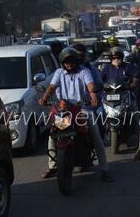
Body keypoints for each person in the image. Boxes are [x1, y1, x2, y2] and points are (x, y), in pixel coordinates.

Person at [38, 48, 112, 182]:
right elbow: (52, 87)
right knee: (53, 135)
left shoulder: (84, 71)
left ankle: (105, 170)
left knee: (96, 138)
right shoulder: (59, 73)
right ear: (62, 63)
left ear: (76, 61)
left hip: (83, 110)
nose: (69, 64)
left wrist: (93, 94)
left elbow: (90, 84)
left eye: (71, 61)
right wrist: (45, 97)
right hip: (65, 111)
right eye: (66, 62)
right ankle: (53, 166)